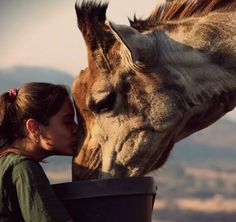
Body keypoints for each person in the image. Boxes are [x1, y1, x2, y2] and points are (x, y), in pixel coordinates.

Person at [0, 82, 78, 222]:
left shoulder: (6, 163)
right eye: (67, 122)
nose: (76, 129)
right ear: (34, 127)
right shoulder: (23, 168)